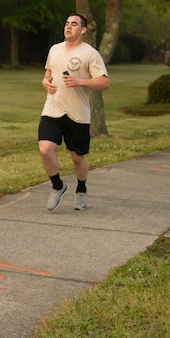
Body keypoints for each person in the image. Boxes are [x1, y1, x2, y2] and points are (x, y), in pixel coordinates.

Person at [39, 13, 110, 212]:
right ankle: (57, 186)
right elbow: (47, 75)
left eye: (74, 24)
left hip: (77, 113)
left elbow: (104, 82)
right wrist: (45, 82)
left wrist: (81, 82)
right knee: (45, 149)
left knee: (77, 157)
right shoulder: (54, 49)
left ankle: (81, 189)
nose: (68, 27)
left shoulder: (90, 53)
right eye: (67, 23)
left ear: (83, 30)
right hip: (52, 109)